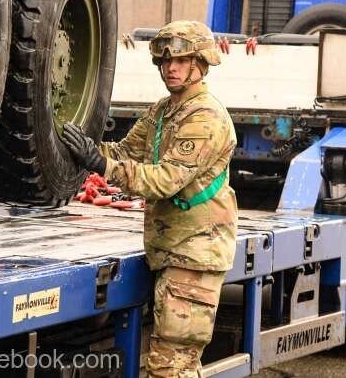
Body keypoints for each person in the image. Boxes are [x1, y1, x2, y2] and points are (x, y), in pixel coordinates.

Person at [61, 20, 238, 378]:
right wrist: (82, 151)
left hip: (194, 257)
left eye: (181, 61)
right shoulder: (163, 111)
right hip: (173, 251)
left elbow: (165, 181)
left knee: (172, 367)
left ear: (200, 63)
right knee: (171, 364)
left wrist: (101, 165)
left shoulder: (205, 117)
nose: (170, 69)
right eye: (164, 61)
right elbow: (126, 151)